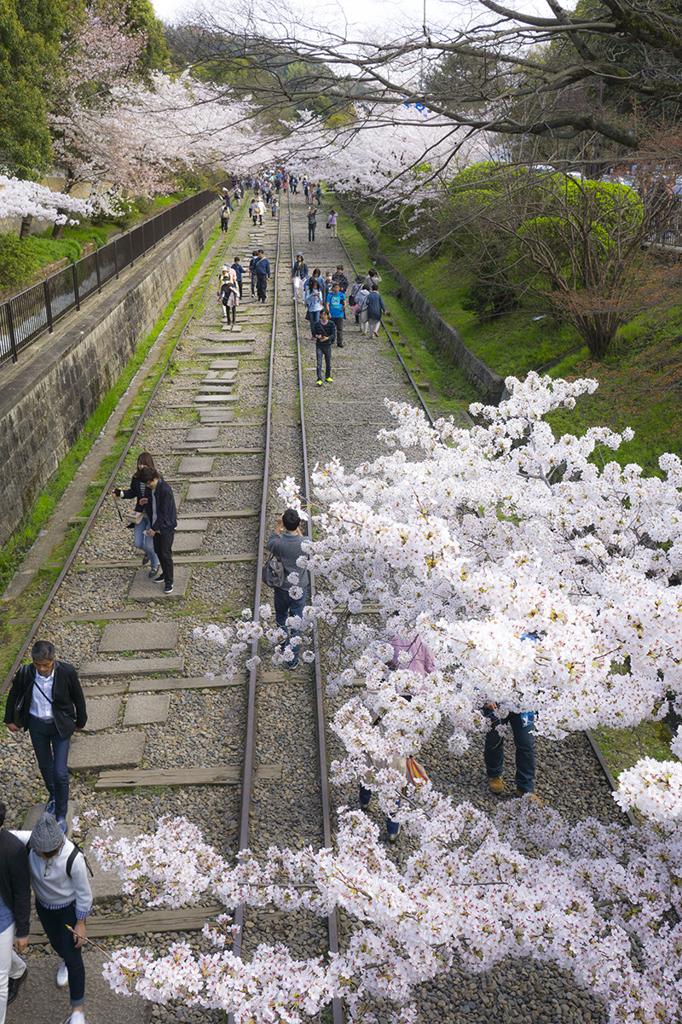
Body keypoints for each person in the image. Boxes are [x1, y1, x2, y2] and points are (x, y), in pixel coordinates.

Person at [12, 813, 92, 1024]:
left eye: (47, 853)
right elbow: (9, 836)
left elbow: (84, 894)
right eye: (39, 852)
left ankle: (77, 1012)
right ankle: (63, 959)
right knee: (57, 943)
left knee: (74, 957)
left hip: (68, 909)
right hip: (44, 907)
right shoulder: (32, 841)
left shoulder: (74, 858)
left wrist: (80, 924)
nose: (42, 856)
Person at [5, 641, 87, 835]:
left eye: (46, 665)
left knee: (60, 771)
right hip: (37, 725)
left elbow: (78, 697)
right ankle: (53, 795)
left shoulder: (66, 672)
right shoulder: (26, 673)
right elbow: (14, 694)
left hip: (60, 726)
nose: (42, 669)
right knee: (45, 766)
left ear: (54, 659)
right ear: (33, 660)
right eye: (38, 664)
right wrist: (9, 719)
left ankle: (61, 813)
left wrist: (80, 722)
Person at [484, 633, 540, 800]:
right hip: (497, 700)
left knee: (526, 742)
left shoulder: (534, 642)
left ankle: (525, 787)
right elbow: (481, 666)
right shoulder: (496, 635)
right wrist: (484, 696)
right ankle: (494, 774)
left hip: (525, 705)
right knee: (494, 738)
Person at [266, 510, 309, 669]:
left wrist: (278, 526)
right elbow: (303, 539)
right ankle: (292, 660)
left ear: (283, 524)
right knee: (296, 621)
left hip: (282, 587)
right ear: (298, 524)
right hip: (299, 588)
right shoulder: (306, 543)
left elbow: (270, 542)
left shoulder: (278, 543)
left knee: (282, 617)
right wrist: (296, 528)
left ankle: (283, 645)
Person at [0, 802, 30, 1021]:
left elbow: (22, 893)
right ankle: (18, 968)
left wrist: (23, 931)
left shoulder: (12, 849)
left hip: (3, 918)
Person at [112, 452, 160, 577]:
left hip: (152, 517)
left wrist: (149, 501)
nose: (141, 466)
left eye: (143, 463)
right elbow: (132, 492)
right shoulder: (136, 478)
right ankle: (150, 554)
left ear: (149, 464)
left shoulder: (156, 478)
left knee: (149, 546)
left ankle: (154, 566)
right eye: (139, 463)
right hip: (140, 516)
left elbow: (160, 497)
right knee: (138, 543)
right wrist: (119, 493)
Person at [138, 466, 177, 594]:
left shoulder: (164, 489)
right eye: (147, 484)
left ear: (155, 478)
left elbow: (163, 512)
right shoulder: (155, 488)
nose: (148, 486)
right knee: (158, 551)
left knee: (165, 554)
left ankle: (169, 581)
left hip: (165, 527)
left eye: (149, 484)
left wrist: (154, 528)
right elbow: (156, 502)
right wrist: (148, 500)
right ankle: (165, 574)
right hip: (157, 524)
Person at [313, 310, 335, 385]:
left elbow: (333, 334)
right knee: (319, 362)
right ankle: (319, 378)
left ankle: (328, 376)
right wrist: (317, 336)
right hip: (319, 345)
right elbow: (314, 332)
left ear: (328, 315)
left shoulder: (331, 324)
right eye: (322, 314)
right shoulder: (317, 324)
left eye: (325, 314)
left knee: (328, 362)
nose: (323, 316)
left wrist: (327, 338)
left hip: (327, 345)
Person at [325, 281, 346, 348]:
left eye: (337, 287)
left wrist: (344, 306)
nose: (336, 289)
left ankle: (339, 342)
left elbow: (345, 303)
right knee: (331, 328)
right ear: (333, 288)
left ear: (339, 288)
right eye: (335, 287)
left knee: (339, 329)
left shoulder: (342, 295)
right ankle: (331, 340)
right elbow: (327, 304)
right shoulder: (330, 295)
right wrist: (328, 313)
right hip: (332, 314)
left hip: (340, 314)